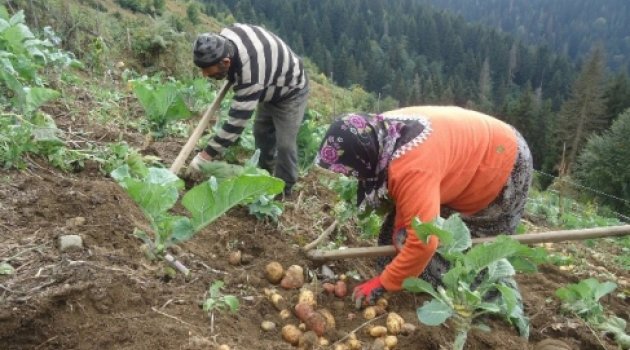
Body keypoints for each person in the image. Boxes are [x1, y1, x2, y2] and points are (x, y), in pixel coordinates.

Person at [315, 106, 533, 307]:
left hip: (503, 162)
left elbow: (424, 242)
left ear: (364, 156)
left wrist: (383, 283)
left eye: (350, 170)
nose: (350, 176)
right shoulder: (381, 132)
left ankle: (501, 300)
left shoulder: (412, 169)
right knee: (398, 233)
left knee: (471, 253)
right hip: (475, 147)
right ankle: (406, 278)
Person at [188, 24, 309, 196]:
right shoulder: (225, 37)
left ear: (226, 62)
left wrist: (205, 157)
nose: (205, 75)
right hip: (269, 81)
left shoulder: (251, 76)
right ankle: (265, 173)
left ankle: (284, 189)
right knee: (261, 132)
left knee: (285, 144)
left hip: (290, 91)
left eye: (209, 70)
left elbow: (236, 124)